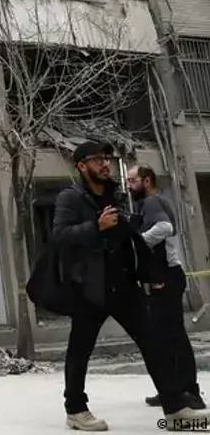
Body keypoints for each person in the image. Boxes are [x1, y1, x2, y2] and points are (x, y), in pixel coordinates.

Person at [53, 141, 203, 431]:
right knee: (80, 349)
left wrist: (147, 271)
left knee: (154, 342)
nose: (104, 164)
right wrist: (96, 227)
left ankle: (174, 408)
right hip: (90, 288)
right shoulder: (70, 198)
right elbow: (60, 235)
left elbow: (128, 242)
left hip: (124, 284)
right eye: (97, 159)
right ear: (81, 166)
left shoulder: (115, 195)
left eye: (106, 158)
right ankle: (76, 409)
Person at [127, 164, 204, 410]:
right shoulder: (152, 202)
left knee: (174, 336)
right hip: (163, 277)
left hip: (167, 277)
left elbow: (164, 228)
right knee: (162, 337)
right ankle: (172, 389)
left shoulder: (152, 202)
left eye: (132, 181)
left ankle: (190, 391)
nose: (129, 186)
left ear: (147, 181)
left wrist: (138, 243)